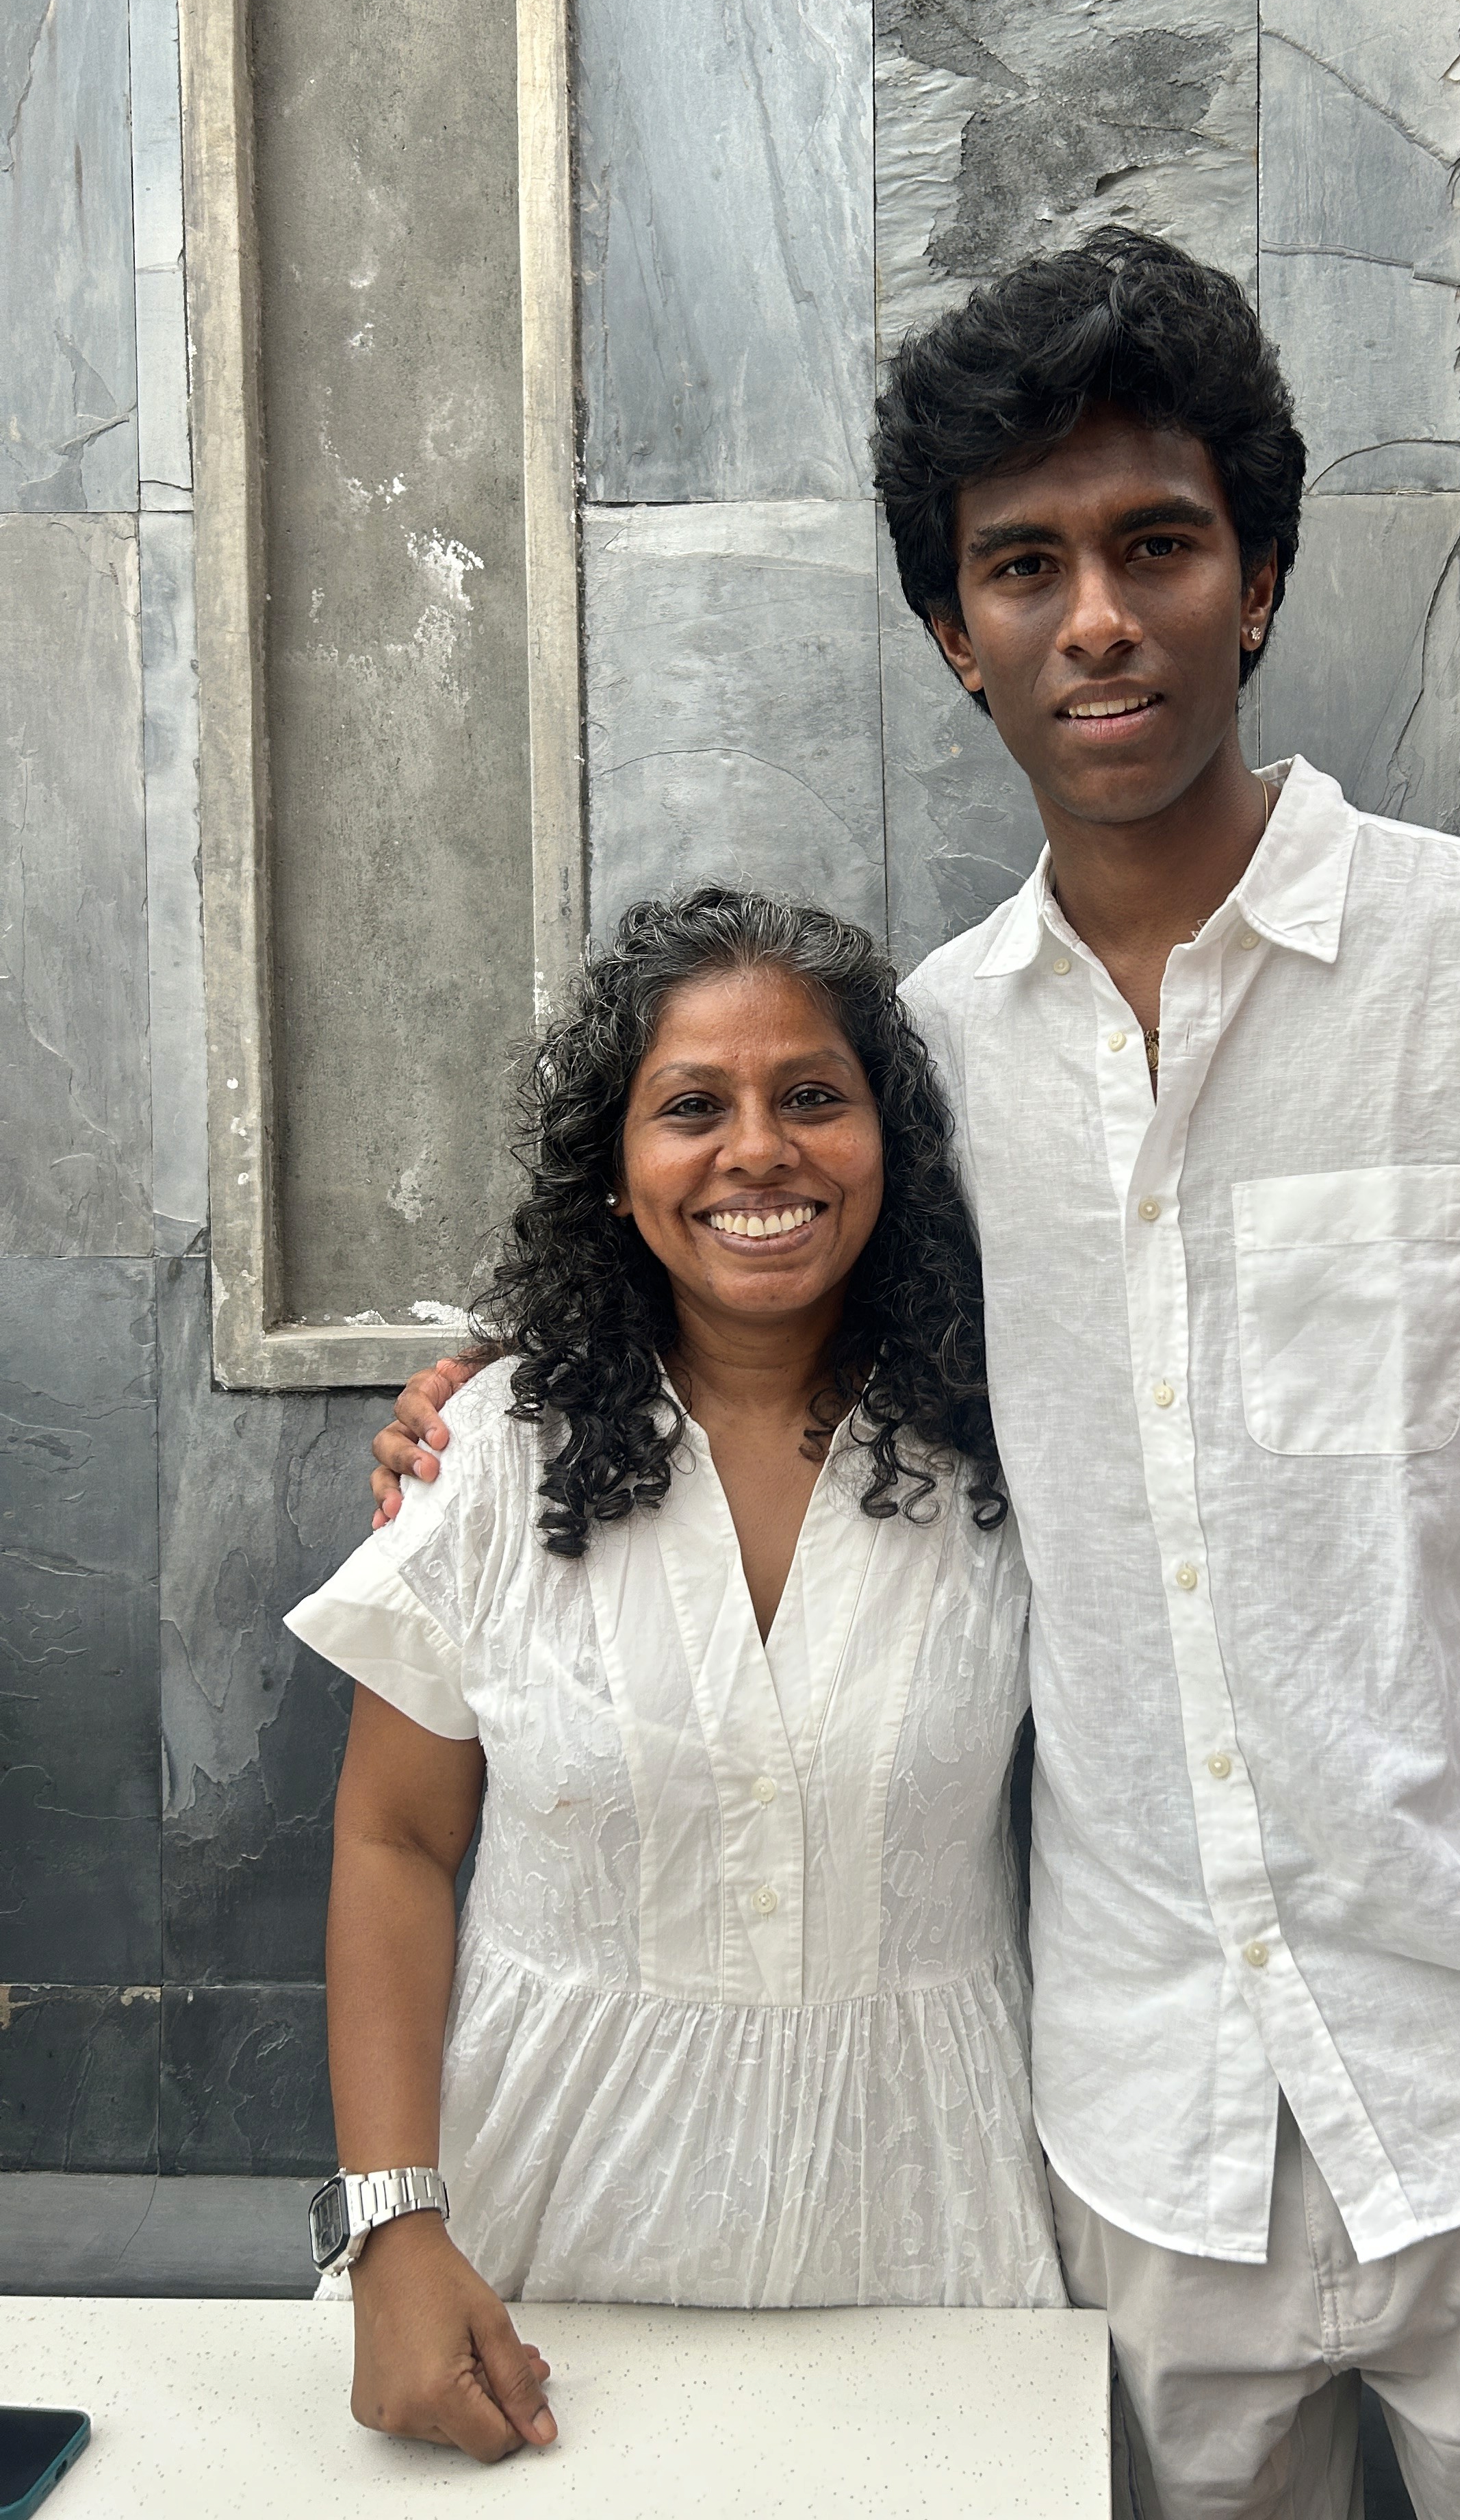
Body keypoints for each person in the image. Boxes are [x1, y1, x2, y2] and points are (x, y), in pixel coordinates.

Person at [377, 229, 1460, 2518]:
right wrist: (493, 1379)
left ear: (1258, 578)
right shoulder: (925, 1065)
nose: (1097, 618)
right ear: (957, 633)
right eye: (1023, 567)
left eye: (1158, 545)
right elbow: (744, 1284)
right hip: (1139, 2139)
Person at [295, 891, 1062, 2467]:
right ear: (616, 1169)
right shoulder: (490, 1456)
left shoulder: (1018, 1452)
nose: (758, 1151)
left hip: (927, 2228)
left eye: (813, 1096)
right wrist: (392, 2225)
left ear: (892, 1143)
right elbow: (393, 1840)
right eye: (693, 1107)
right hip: (542, 2242)